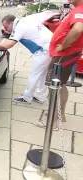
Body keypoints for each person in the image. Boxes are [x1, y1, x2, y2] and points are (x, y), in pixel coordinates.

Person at [0, 14, 53, 105]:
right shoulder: (24, 21)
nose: (5, 29)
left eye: (6, 26)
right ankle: (40, 96)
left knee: (34, 74)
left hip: (43, 51)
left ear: (11, 23)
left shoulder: (19, 28)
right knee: (43, 74)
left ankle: (27, 97)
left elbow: (8, 45)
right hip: (50, 47)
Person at [44, 0, 83, 130]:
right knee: (61, 84)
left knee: (54, 86)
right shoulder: (77, 9)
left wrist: (64, 45)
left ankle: (53, 121)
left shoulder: (79, 10)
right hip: (69, 53)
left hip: (64, 54)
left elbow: (78, 29)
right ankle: (61, 115)